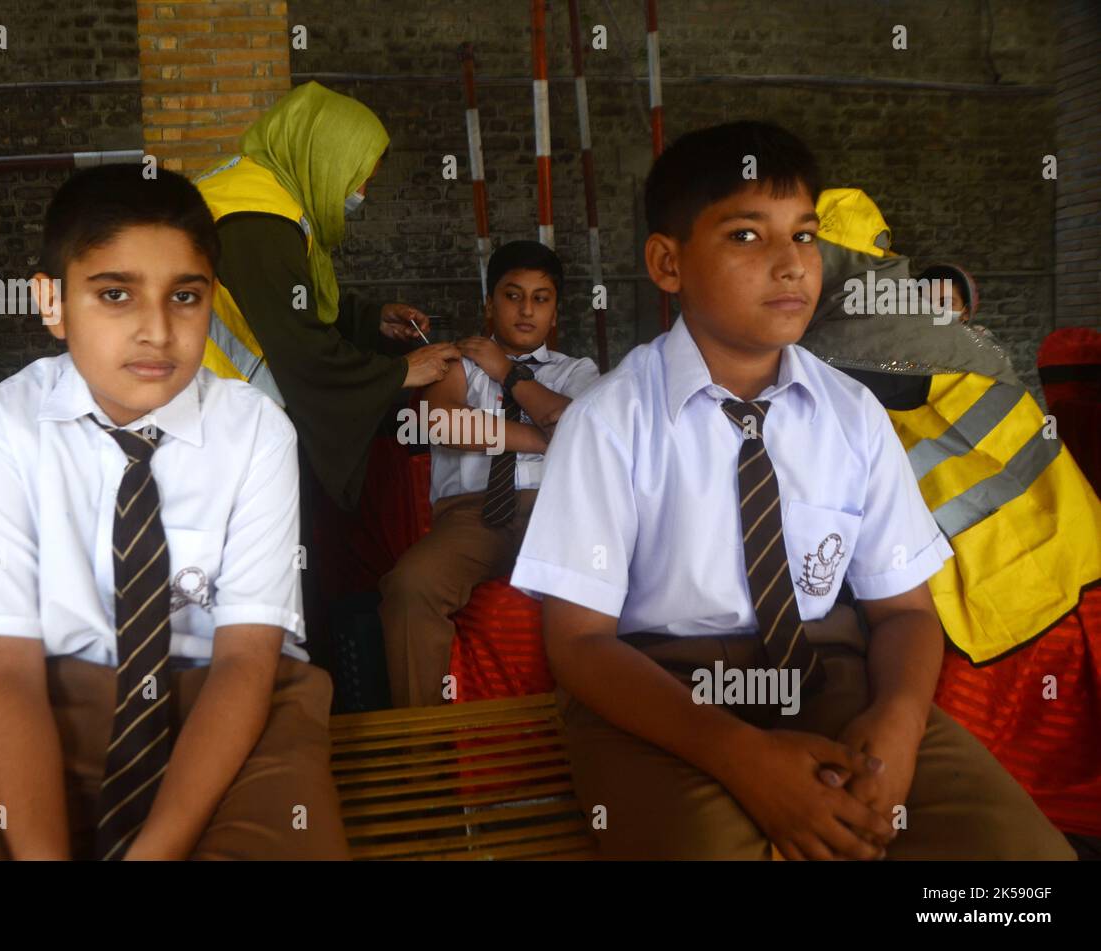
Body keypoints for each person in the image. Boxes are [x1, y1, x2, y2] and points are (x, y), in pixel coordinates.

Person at [510, 121, 1076, 860]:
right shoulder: (608, 423)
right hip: (661, 698)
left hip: (829, 678)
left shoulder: (852, 414)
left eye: (805, 235)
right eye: (747, 236)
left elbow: (903, 607)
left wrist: (900, 721)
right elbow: (580, 643)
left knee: (1019, 868)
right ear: (667, 262)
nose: (790, 265)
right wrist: (742, 756)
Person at [0, 165, 349, 861]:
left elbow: (246, 662)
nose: (156, 331)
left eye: (185, 297)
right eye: (114, 294)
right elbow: (5, 669)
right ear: (53, 302)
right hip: (56, 707)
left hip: (232, 710)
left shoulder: (258, 432)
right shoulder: (6, 425)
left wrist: (152, 854)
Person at [191, 81, 460, 665]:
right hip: (224, 429)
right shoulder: (254, 221)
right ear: (322, 156)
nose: (360, 193)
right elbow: (302, 351)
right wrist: (398, 375)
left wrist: (369, 320)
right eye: (357, 176)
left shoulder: (265, 193)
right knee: (275, 592)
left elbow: (288, 306)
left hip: (231, 422)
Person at [378, 241, 599, 707]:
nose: (526, 309)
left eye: (541, 298)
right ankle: (425, 747)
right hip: (472, 517)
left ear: (555, 313)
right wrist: (549, 435)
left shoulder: (578, 371)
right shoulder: (456, 362)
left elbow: (584, 431)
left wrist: (511, 376)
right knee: (410, 585)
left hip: (557, 511)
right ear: (489, 304)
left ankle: (593, 735)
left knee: (625, 576)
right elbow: (446, 424)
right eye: (512, 295)